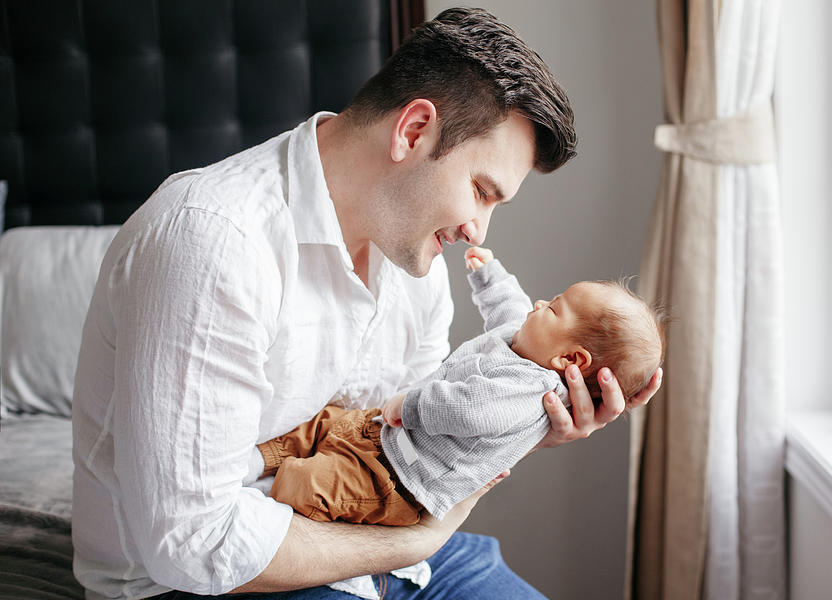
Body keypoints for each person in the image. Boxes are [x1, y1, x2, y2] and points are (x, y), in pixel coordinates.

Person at [71, 7, 662, 600]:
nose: (478, 231)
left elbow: (415, 442)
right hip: (221, 581)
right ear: (412, 131)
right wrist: (414, 543)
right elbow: (194, 546)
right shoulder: (211, 241)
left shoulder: (413, 260)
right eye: (480, 192)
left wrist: (530, 424)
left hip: (377, 547)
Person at [254, 245, 666, 533]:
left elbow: (469, 411)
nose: (540, 305)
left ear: (570, 361)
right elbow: (510, 305)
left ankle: (268, 494)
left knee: (311, 484)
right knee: (322, 422)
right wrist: (489, 275)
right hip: (384, 437)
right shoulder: (526, 341)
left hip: (399, 480)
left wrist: (411, 405)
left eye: (554, 308)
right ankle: (255, 462)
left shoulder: (530, 392)